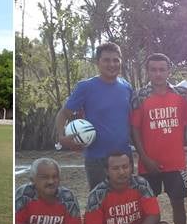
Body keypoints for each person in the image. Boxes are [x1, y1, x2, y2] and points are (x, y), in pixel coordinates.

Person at [131, 53, 187, 224]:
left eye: (162, 69)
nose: (158, 74)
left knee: (178, 205)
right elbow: (134, 129)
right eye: (153, 69)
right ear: (148, 71)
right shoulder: (140, 96)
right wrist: (144, 157)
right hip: (147, 164)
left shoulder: (180, 95)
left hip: (175, 163)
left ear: (169, 70)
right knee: (146, 208)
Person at [55, 42, 133, 191]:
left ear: (121, 62)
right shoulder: (86, 87)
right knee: (100, 204)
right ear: (98, 62)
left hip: (124, 157)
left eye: (116, 60)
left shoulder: (127, 87)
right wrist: (61, 136)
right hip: (97, 158)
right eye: (106, 60)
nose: (112, 64)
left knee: (125, 204)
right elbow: (63, 114)